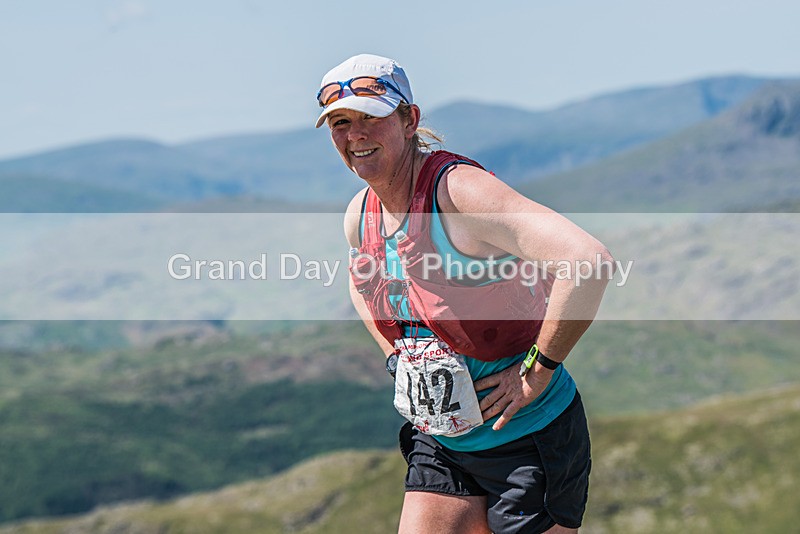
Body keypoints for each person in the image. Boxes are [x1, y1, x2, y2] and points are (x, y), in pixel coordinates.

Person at [315, 53, 613, 534]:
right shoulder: (362, 213)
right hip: (441, 441)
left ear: (410, 119)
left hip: (528, 440)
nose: (355, 136)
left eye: (371, 117)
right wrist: (396, 356)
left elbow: (588, 262)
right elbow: (358, 278)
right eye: (340, 123)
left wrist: (538, 370)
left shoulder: (459, 194)